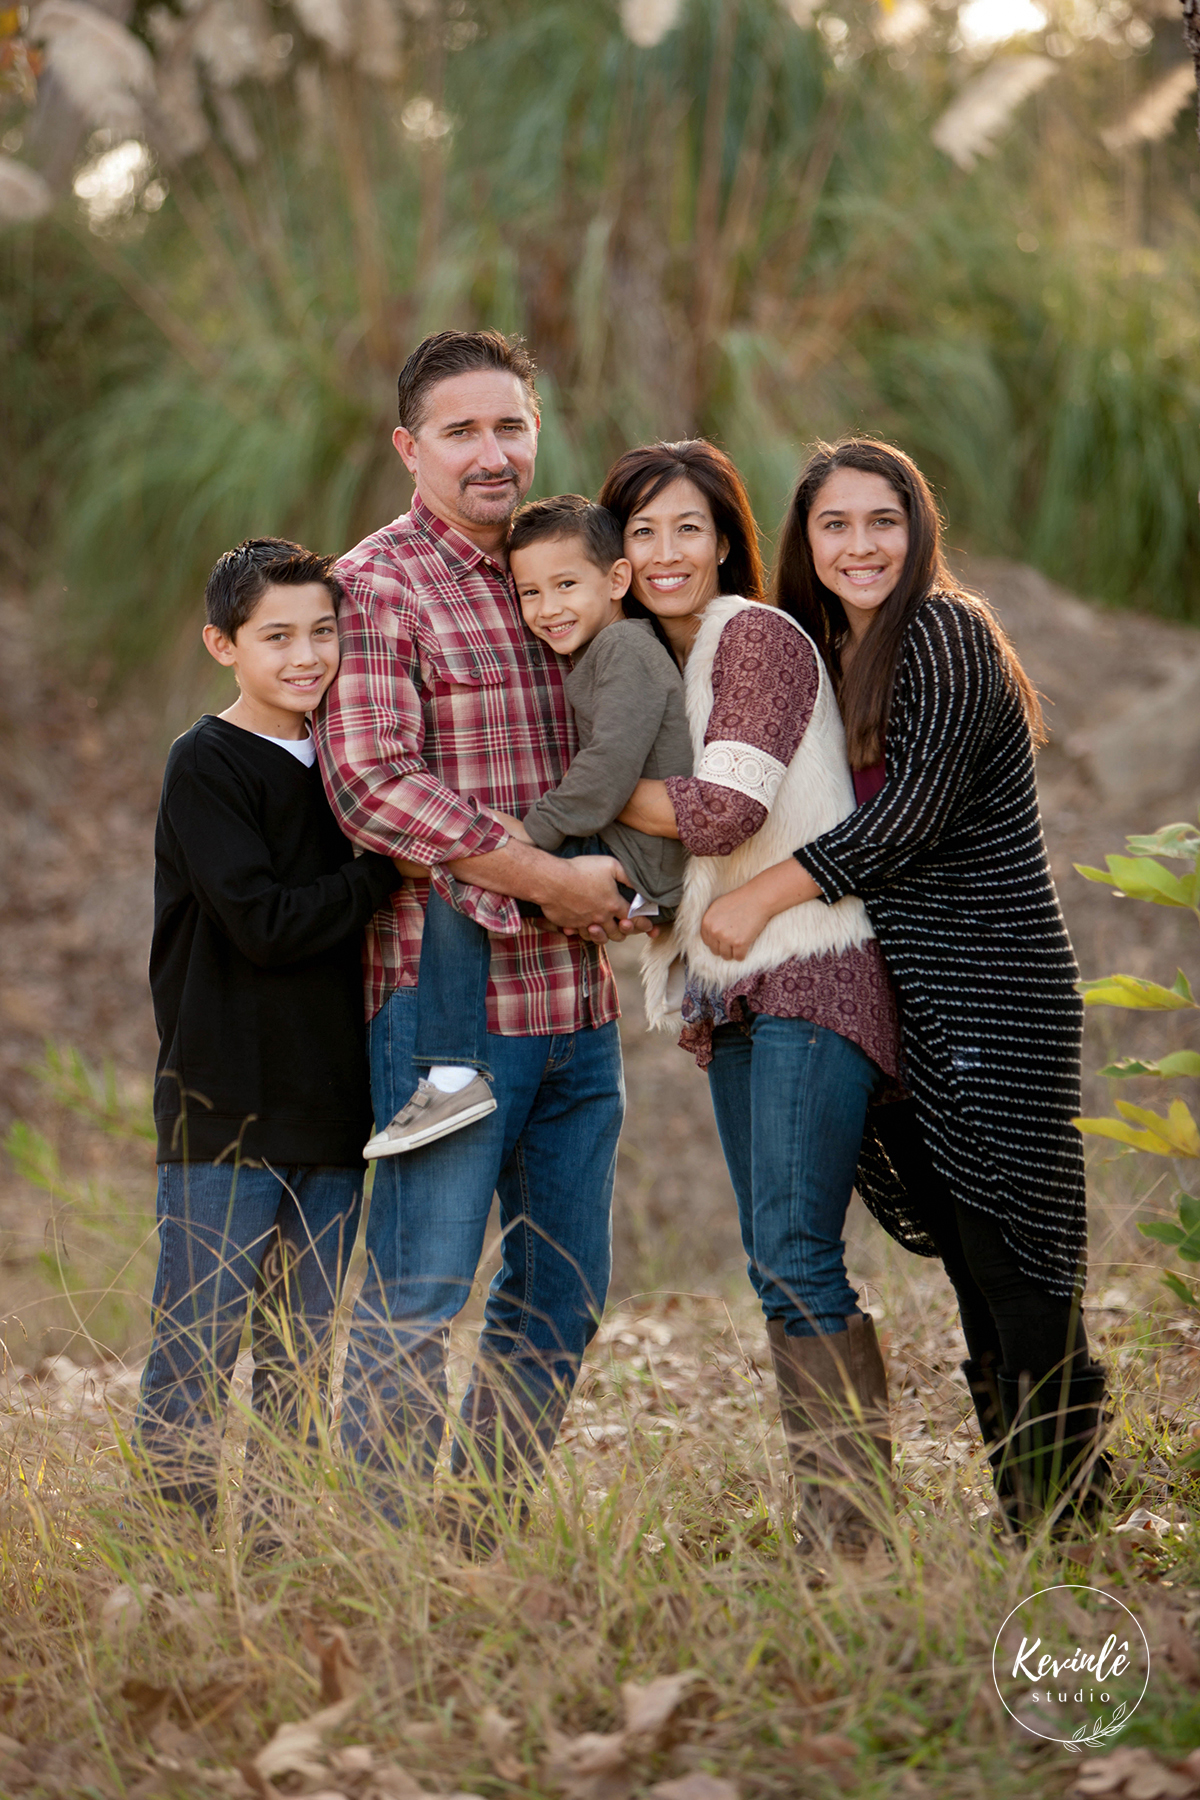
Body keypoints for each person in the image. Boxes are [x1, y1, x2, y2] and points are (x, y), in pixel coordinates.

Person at [695, 437, 1108, 1535]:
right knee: (976, 1268)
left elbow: (911, 813)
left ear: (917, 527)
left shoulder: (946, 630)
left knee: (1017, 1253)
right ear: (807, 542)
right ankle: (1036, 1512)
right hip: (913, 999)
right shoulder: (834, 650)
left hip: (992, 988)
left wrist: (763, 898)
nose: (860, 544)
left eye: (883, 520)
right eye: (836, 525)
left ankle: (1065, 1515)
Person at [315, 331, 633, 1537]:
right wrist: (547, 878)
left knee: (563, 1289)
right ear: (411, 447)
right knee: (420, 1287)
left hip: (579, 1010)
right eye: (461, 431)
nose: (490, 453)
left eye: (510, 426)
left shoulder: (570, 567)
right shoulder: (379, 584)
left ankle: (477, 1530)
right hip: (445, 1005)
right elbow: (373, 786)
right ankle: (382, 1551)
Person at [604, 440, 904, 1556]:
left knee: (793, 1254)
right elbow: (690, 857)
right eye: (640, 533)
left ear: (724, 539)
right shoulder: (650, 666)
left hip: (814, 968)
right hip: (732, 993)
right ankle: (845, 1529)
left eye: (688, 528)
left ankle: (854, 1542)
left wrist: (573, 792)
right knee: (775, 1258)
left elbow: (725, 813)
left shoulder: (757, 636)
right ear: (617, 556)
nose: (666, 552)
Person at [138, 538, 401, 1536]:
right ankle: (179, 1554)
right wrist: (383, 874)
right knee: (196, 1348)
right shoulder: (206, 763)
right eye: (277, 636)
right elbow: (262, 920)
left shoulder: (350, 766)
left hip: (334, 1109)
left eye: (323, 632)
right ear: (223, 644)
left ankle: (286, 1550)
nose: (306, 656)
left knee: (302, 1355)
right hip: (226, 1107)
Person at [363, 492, 691, 1159]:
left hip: (646, 859)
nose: (547, 609)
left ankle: (451, 1070)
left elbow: (608, 769)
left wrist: (529, 837)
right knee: (470, 848)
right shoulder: (595, 651)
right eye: (530, 592)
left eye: (566, 585)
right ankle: (455, 1068)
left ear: (618, 581)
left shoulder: (627, 648)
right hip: (627, 853)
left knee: (466, 857)